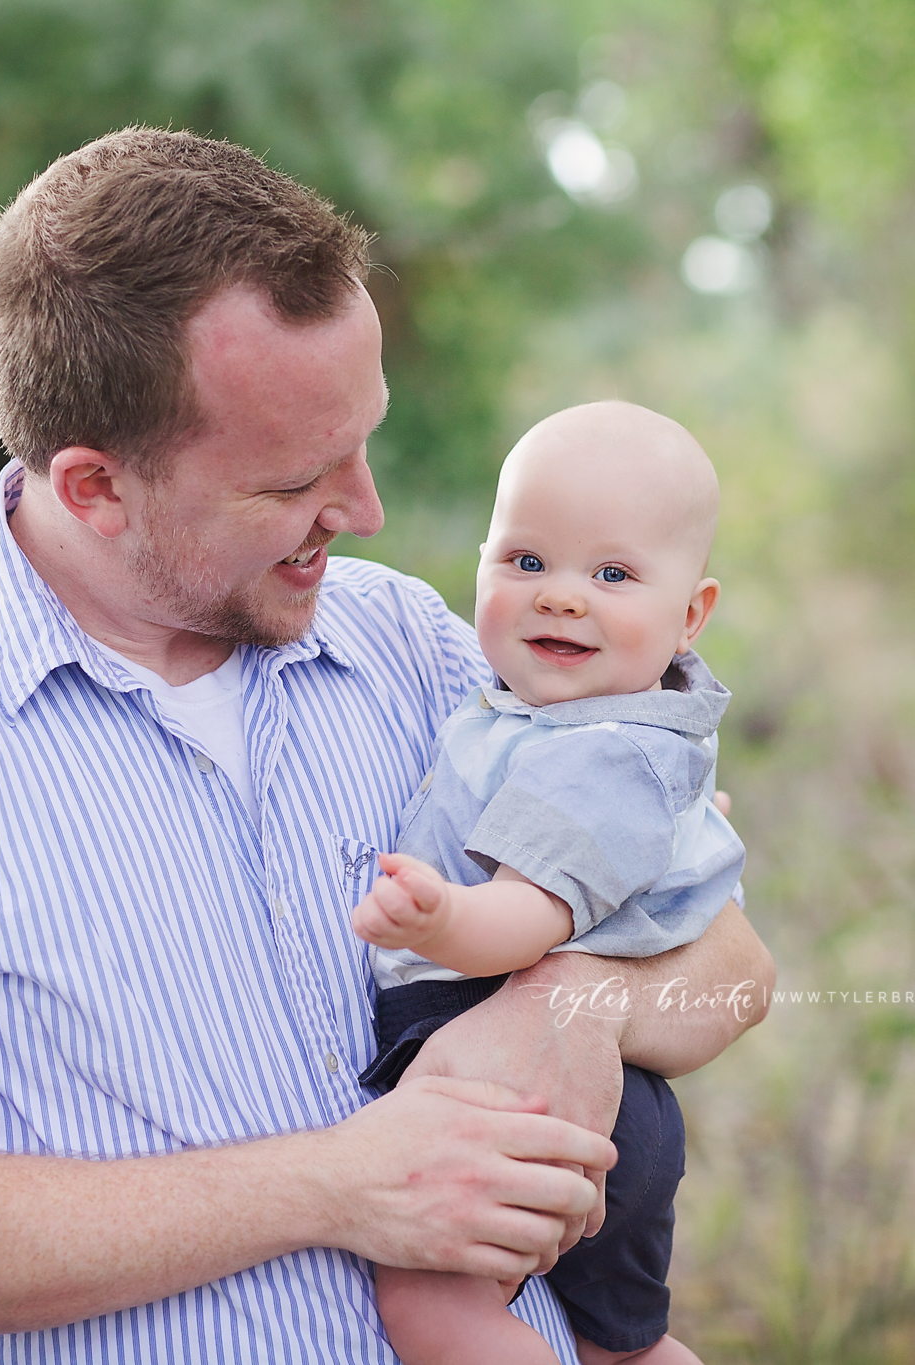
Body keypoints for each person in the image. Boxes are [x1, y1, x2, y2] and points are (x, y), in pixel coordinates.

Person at [0, 127, 773, 1364]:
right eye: (290, 481)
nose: (363, 511)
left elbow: (730, 963)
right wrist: (333, 1183)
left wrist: (575, 999)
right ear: (95, 486)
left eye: (361, 440)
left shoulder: (407, 647)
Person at [353, 402, 738, 1365]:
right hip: (617, 1101)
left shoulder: (602, 754)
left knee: (431, 1307)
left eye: (611, 574)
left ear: (690, 614)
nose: (561, 596)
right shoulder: (551, 718)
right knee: (629, 1345)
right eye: (526, 562)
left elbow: (527, 918)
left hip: (509, 1065)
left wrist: (441, 917)